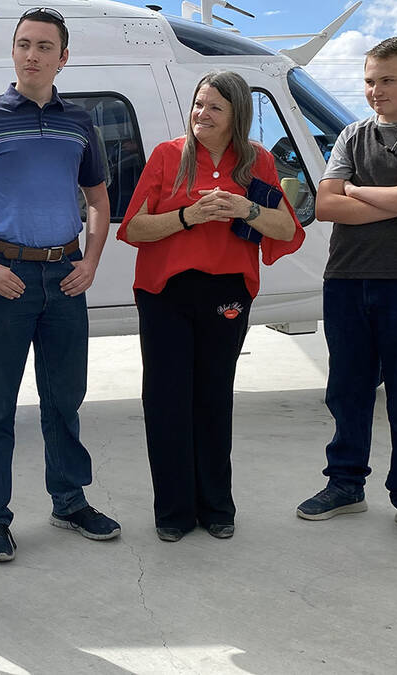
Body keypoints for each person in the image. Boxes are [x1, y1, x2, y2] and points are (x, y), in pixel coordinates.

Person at [0, 7, 118, 563]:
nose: (32, 54)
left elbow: (97, 199)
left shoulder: (79, 123)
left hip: (66, 277)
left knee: (64, 401)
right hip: (7, 279)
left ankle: (69, 501)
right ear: (13, 52)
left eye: (45, 46)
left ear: (62, 58)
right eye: (24, 44)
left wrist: (91, 260)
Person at [117, 71, 304, 542]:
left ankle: (217, 506)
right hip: (165, 295)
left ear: (237, 114)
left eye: (215, 107)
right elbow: (134, 229)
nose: (202, 114)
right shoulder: (167, 156)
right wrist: (188, 216)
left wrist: (247, 210)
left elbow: (286, 229)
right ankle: (174, 512)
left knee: (213, 396)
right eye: (199, 104)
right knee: (166, 399)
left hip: (227, 293)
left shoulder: (256, 161)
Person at [296, 37, 397, 545]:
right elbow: (325, 206)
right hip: (346, 280)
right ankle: (345, 484)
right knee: (346, 392)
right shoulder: (351, 134)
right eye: (369, 80)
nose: (375, 90)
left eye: (387, 79)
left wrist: (359, 191)